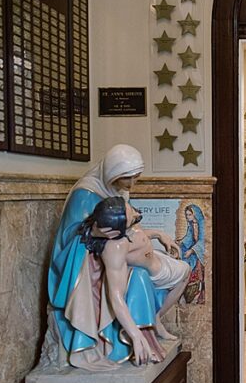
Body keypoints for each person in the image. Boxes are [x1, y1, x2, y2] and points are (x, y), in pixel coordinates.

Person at [43, 144, 166, 368]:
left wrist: (154, 235)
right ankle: (103, 340)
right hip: (84, 266)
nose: (130, 184)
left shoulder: (117, 191)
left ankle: (138, 338)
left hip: (110, 259)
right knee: (117, 284)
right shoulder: (85, 193)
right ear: (112, 173)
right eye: (126, 178)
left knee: (138, 277)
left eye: (135, 178)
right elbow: (69, 235)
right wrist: (94, 232)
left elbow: (128, 229)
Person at [78, 196, 191, 350]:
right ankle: (157, 316)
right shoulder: (115, 248)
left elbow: (140, 234)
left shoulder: (127, 223)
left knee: (184, 267)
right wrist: (135, 335)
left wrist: (159, 234)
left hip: (159, 258)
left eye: (130, 209)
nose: (137, 215)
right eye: (132, 216)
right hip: (157, 272)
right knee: (186, 272)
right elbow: (116, 296)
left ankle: (157, 315)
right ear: (116, 231)